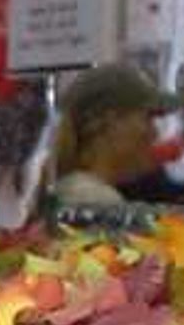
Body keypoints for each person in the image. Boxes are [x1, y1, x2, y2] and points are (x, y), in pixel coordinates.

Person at [45, 60, 170, 211]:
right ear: (111, 121)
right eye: (148, 117)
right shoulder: (94, 199)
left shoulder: (75, 190)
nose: (155, 133)